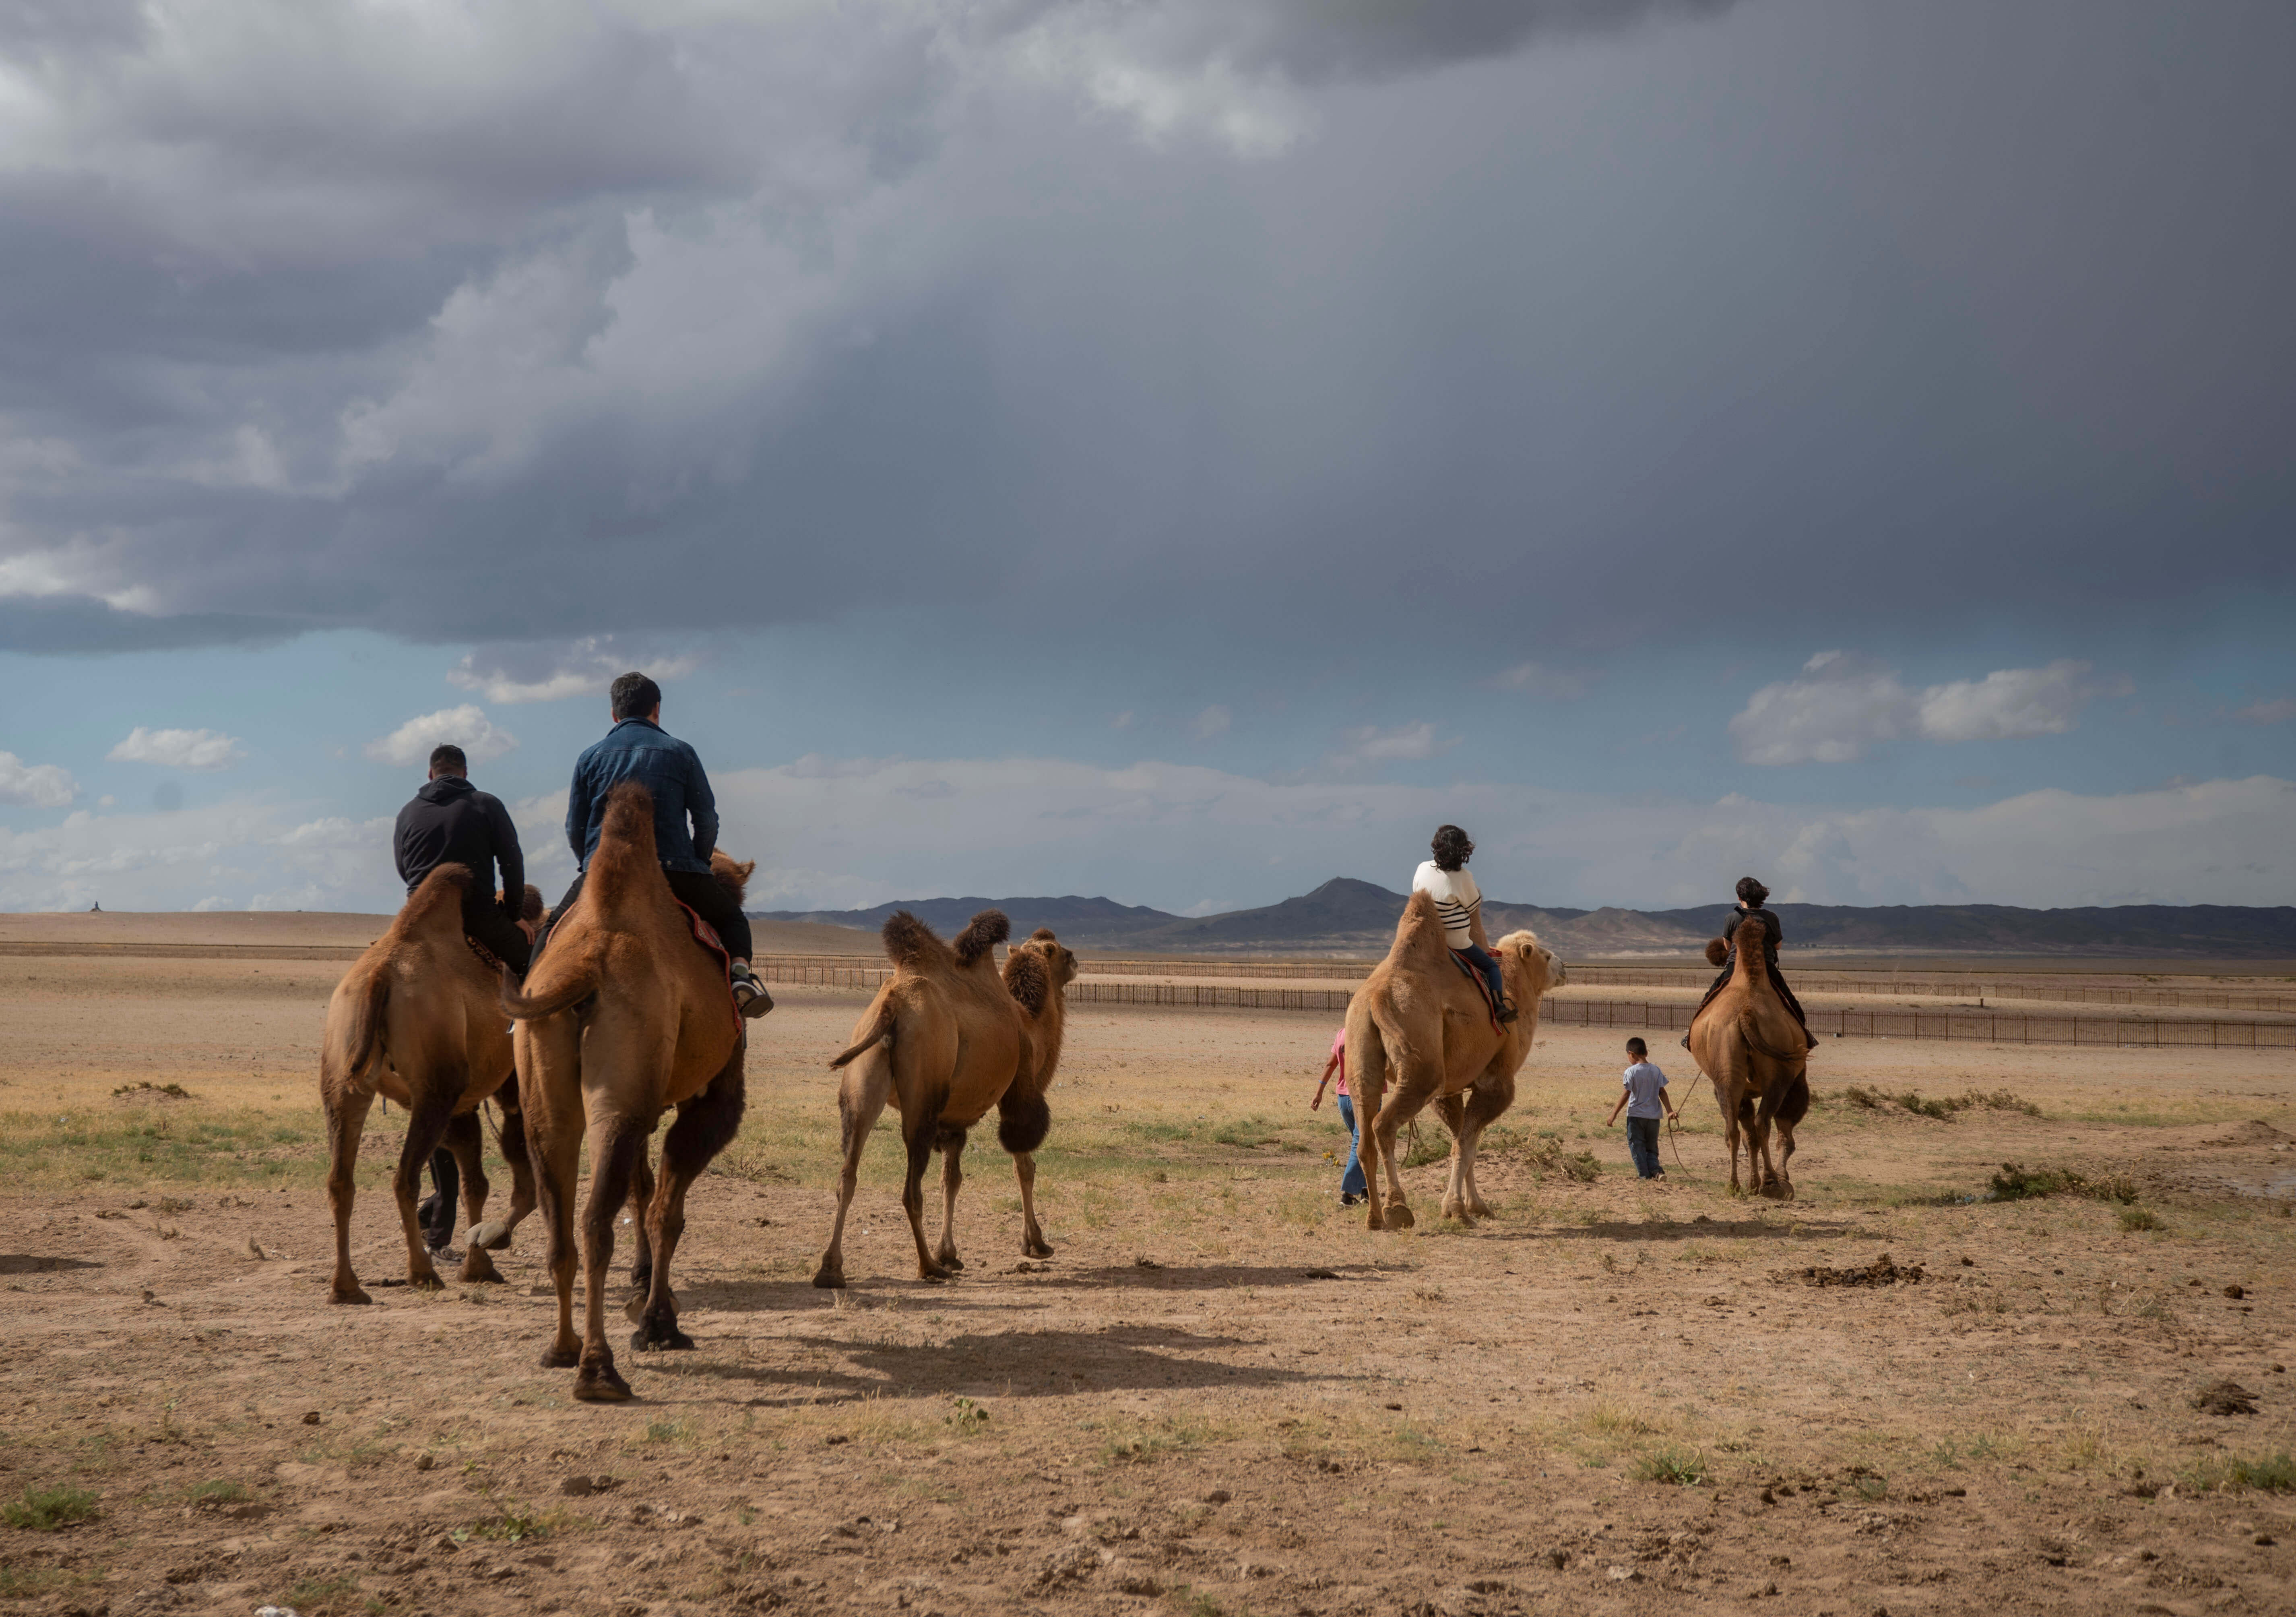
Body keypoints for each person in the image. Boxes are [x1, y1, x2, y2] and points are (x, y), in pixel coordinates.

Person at [539, 672, 771, 1018]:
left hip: (606, 873)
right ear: (657, 709)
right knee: (733, 919)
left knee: (551, 930)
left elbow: (575, 825)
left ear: (614, 714)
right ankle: (740, 978)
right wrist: (698, 861)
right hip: (675, 872)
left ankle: (528, 1005)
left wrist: (592, 865)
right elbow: (706, 820)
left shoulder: (589, 758)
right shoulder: (681, 752)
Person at [394, 741, 535, 1253]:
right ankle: (535, 1050)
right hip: (474, 915)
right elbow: (512, 859)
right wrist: (515, 911)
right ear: (464, 772)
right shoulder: (486, 804)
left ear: (430, 772)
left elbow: (401, 866)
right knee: (536, 972)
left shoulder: (409, 810)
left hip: (418, 918)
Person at [1683, 875, 1811, 1051]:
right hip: (1766, 968)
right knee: (1793, 1006)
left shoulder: (1732, 918)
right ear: (1761, 897)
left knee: (1707, 1000)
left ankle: (1691, 1037)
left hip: (1735, 967)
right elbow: (1778, 946)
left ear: (1739, 897)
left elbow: (1727, 947)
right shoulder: (1771, 917)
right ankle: (1805, 1039)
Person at [1411, 824, 1516, 1024]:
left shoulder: (1422, 868)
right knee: (1492, 967)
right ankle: (1499, 1007)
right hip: (1455, 942)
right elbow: (1472, 908)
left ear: (1437, 846)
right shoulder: (1464, 878)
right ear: (1463, 850)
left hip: (1425, 939)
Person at [1311, 1025, 1369, 1207]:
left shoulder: (1342, 1034)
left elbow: (1331, 1064)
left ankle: (1367, 1191)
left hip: (1343, 1099)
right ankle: (1348, 1195)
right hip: (1363, 1097)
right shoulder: (1370, 1032)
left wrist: (1319, 1093)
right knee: (1360, 1143)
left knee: (1365, 1144)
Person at [1605, 1036, 1675, 1179]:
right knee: (1652, 1149)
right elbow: (1662, 1092)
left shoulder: (1631, 1072)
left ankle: (1645, 1176)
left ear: (1631, 1054)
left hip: (1636, 1117)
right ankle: (1657, 1172)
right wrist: (1670, 1111)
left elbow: (1626, 1094)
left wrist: (1614, 1114)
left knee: (1637, 1147)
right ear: (1647, 1053)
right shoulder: (1656, 1070)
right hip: (1654, 1118)